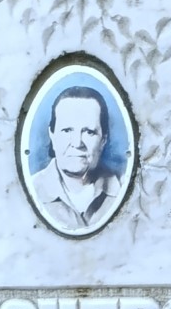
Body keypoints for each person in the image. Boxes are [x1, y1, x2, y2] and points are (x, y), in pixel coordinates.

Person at [30, 85, 123, 233]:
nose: (77, 143)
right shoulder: (30, 191)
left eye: (89, 132)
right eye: (67, 130)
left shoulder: (123, 188)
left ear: (103, 140)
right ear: (52, 135)